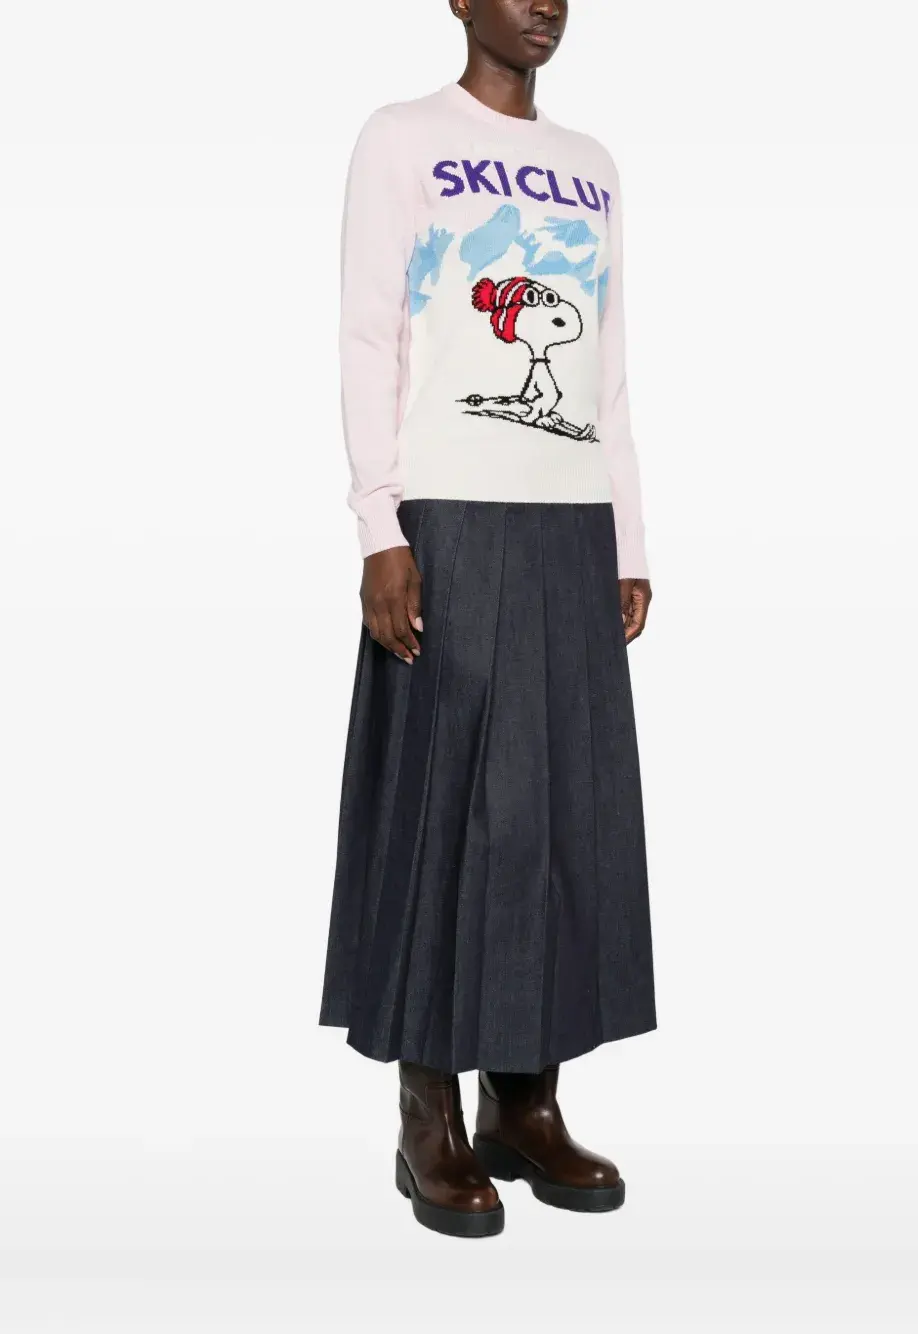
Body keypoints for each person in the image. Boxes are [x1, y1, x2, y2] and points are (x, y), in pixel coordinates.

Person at [319, 0, 656, 1239]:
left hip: (569, 520)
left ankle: (525, 1100)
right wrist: (381, 525)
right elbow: (369, 333)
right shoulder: (402, 136)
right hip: (450, 515)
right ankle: (429, 1113)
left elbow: (608, 364)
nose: (545, 4)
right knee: (443, 806)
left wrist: (625, 535)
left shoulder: (591, 166)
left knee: (561, 811)